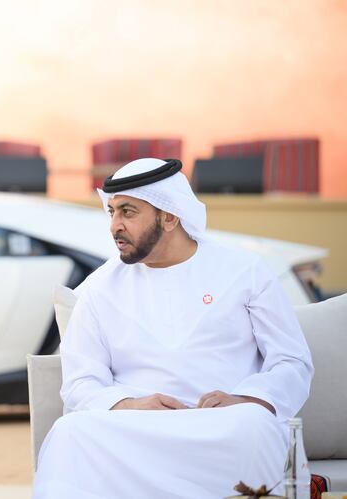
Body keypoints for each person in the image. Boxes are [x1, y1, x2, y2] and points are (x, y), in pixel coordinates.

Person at [32, 158, 313, 498]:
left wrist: (244, 399)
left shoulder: (245, 271)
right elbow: (80, 383)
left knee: (254, 426)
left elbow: (291, 362)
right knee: (70, 432)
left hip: (222, 427)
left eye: (128, 212)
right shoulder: (98, 289)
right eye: (112, 212)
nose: (115, 226)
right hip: (135, 428)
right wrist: (129, 405)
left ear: (169, 216)